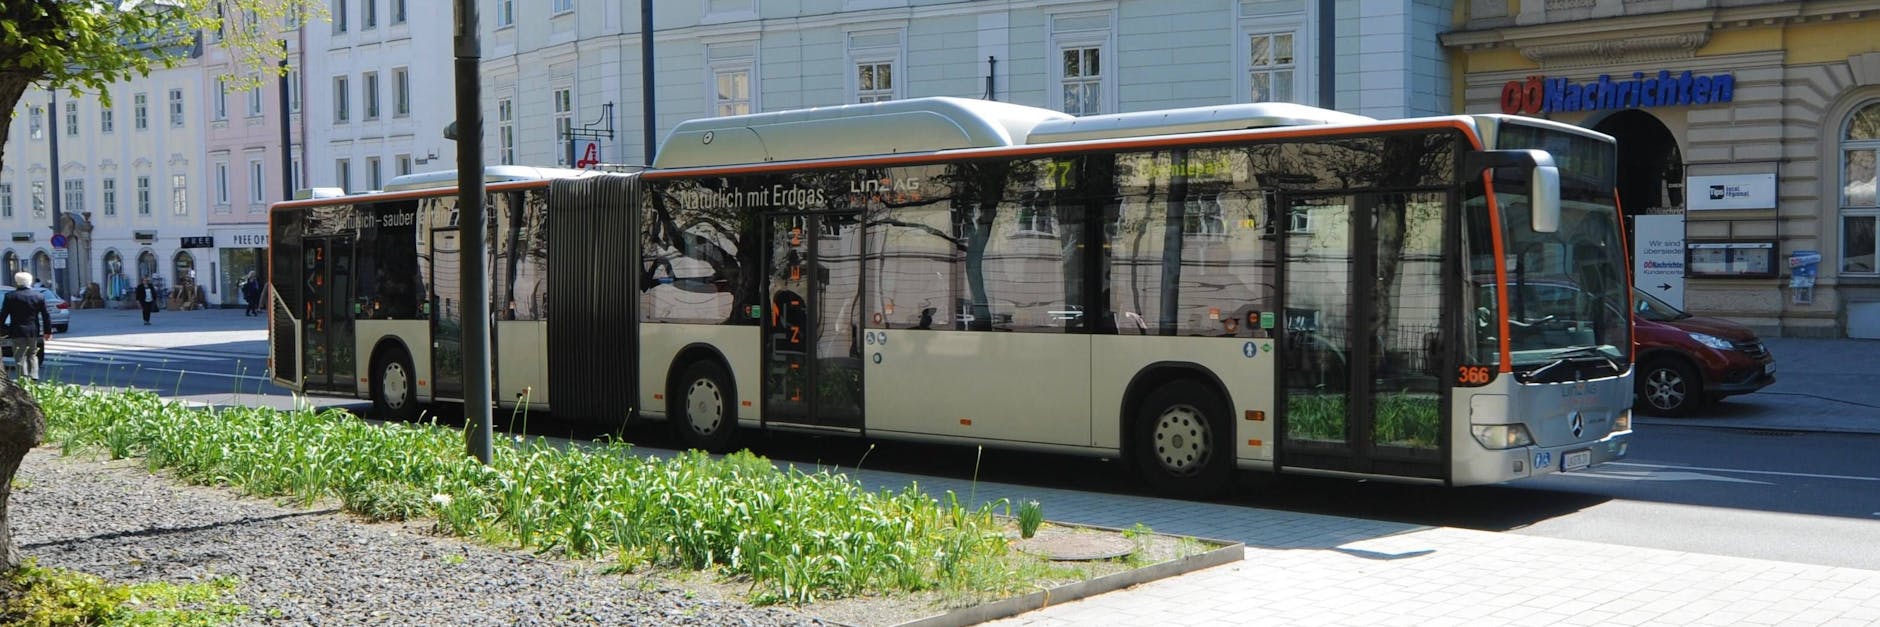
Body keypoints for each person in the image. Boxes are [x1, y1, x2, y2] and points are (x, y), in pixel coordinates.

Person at [2, 272, 54, 381]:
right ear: (29, 282)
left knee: (19, 355)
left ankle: (22, 378)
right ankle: (34, 375)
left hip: (17, 330)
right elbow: (46, 315)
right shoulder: (38, 296)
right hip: (33, 330)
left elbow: (3, 315)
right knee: (33, 354)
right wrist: (48, 331)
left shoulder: (10, 296)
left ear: (17, 282)